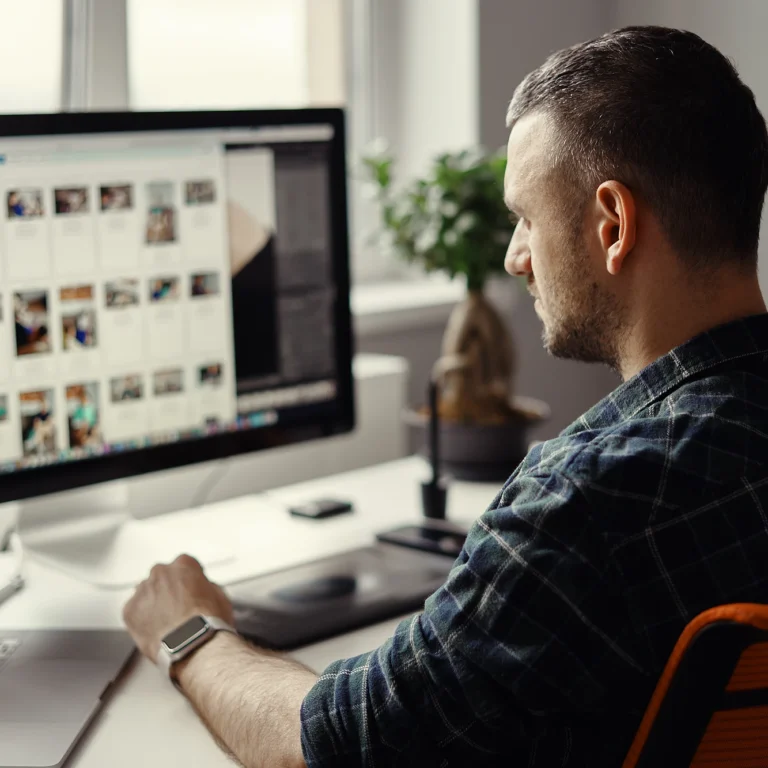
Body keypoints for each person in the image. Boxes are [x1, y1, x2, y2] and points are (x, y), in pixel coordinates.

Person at [123, 26, 768, 767]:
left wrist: (192, 633)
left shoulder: (584, 504)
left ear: (613, 224)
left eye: (526, 218)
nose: (514, 256)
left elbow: (329, 749)